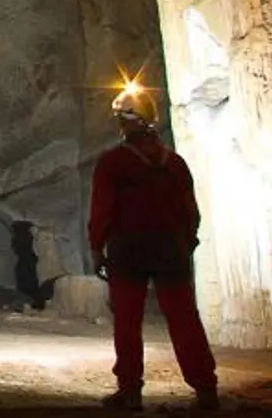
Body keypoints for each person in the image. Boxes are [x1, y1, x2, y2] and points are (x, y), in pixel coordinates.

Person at [88, 81, 218, 411]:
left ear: (129, 122)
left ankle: (130, 390)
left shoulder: (113, 163)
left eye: (122, 119)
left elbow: (103, 210)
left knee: (128, 321)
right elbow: (192, 212)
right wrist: (185, 243)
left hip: (128, 251)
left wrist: (96, 247)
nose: (119, 124)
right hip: (170, 250)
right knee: (184, 318)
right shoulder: (174, 163)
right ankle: (205, 388)